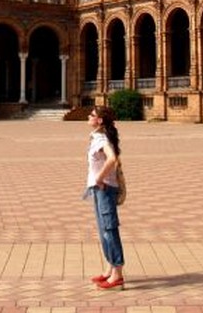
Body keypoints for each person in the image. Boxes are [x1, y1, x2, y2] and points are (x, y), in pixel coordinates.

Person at [85, 105, 125, 289]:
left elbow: (112, 158)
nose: (88, 116)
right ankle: (110, 268)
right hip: (99, 189)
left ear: (99, 120)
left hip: (105, 189)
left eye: (92, 115)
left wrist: (100, 178)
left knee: (109, 229)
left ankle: (117, 273)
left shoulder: (102, 139)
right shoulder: (97, 137)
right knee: (103, 231)